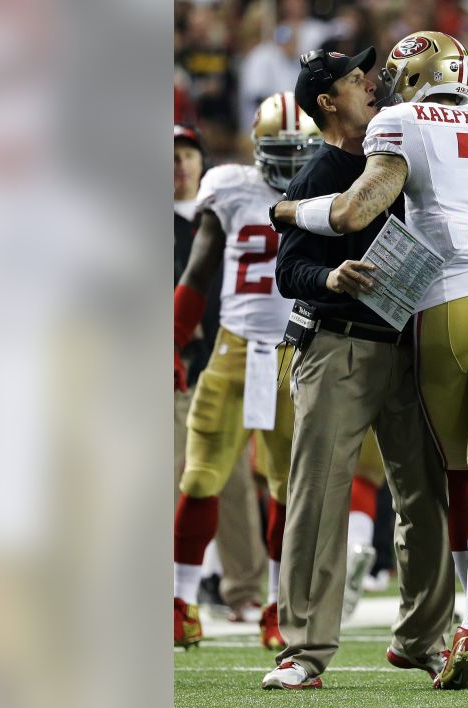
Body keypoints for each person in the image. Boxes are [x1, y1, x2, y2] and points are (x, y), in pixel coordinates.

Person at [271, 32, 468, 690]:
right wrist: (328, 279)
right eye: (358, 80)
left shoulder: (410, 137)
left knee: (425, 500)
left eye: (375, 74)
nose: (372, 83)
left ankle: (424, 636)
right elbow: (290, 268)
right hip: (342, 346)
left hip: (414, 340)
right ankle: (302, 651)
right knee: (321, 499)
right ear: (329, 104)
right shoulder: (326, 168)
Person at [171, 93, 322, 651]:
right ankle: (185, 601)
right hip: (247, 352)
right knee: (205, 475)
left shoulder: (327, 183)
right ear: (257, 149)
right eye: (279, 151)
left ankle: (268, 607)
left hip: (281, 353)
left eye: (298, 150)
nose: (288, 163)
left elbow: (197, 271)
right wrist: (174, 340)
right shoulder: (234, 187)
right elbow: (199, 268)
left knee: (279, 486)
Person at [173, 125, 267, 625]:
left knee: (236, 482)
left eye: (187, 154)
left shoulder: (228, 202)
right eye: (170, 157)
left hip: (237, 357)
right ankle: (174, 592)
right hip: (183, 368)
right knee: (186, 477)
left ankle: (247, 591)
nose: (179, 165)